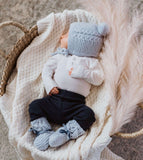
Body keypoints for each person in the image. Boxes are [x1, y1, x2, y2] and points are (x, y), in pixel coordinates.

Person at [29, 22, 109, 151]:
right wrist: (50, 86)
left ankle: (65, 133)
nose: (61, 36)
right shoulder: (60, 57)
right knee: (35, 105)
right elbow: (46, 71)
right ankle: (43, 132)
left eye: (66, 35)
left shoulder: (91, 62)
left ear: (78, 41)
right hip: (54, 98)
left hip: (75, 105)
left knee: (88, 115)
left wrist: (83, 73)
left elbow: (98, 79)